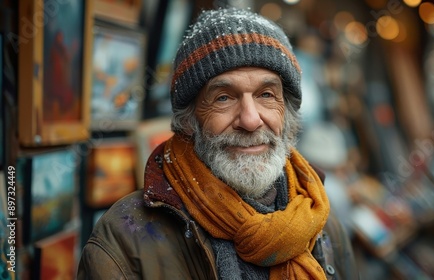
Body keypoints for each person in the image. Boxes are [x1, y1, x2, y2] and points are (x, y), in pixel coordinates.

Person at [78, 8, 357, 280]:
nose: (250, 120)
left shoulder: (321, 220)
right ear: (189, 120)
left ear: (288, 113)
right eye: (223, 97)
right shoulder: (125, 240)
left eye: (266, 95)